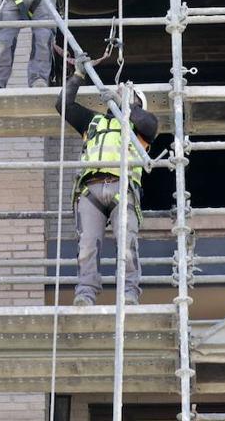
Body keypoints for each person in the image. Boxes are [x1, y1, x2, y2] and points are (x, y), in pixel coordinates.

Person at [57, 62, 159, 306]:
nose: (120, 93)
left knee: (127, 244)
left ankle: (130, 292)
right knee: (87, 246)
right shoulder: (94, 122)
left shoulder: (140, 126)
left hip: (122, 189)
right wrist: (78, 75)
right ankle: (86, 294)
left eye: (127, 94)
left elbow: (150, 125)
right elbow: (64, 105)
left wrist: (126, 106)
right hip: (90, 190)